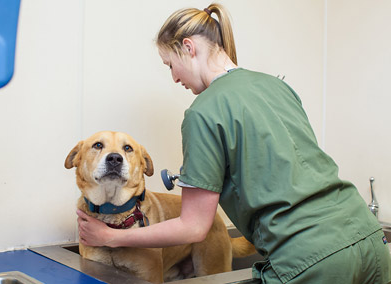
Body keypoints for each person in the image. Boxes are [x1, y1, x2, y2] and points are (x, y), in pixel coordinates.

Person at [76, 3, 391, 283]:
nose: (173, 78)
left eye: (169, 65)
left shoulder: (203, 112)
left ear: (188, 47)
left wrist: (109, 237)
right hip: (369, 240)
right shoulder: (276, 86)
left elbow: (194, 228)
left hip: (310, 258)